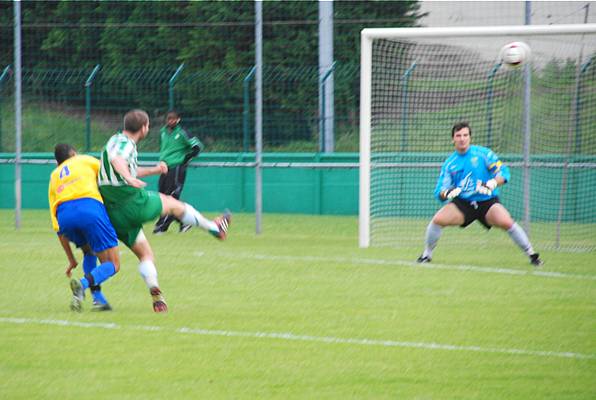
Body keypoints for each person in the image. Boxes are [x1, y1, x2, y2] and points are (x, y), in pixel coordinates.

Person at [98, 109, 231, 313]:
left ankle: (156, 294)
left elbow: (122, 164)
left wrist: (154, 169)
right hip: (130, 201)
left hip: (113, 213)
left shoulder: (114, 140)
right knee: (173, 204)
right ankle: (214, 228)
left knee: (145, 254)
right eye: (148, 125)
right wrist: (129, 178)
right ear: (143, 128)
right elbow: (118, 161)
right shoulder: (125, 145)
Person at [416, 122, 543, 266]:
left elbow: (503, 172)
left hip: (487, 201)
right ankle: (427, 255)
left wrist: (493, 183)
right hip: (463, 204)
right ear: (453, 139)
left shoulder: (484, 154)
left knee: (507, 222)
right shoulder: (450, 163)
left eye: (465, 135)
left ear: (470, 137)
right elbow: (440, 192)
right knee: (438, 219)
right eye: (458, 136)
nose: (462, 139)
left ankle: (532, 255)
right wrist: (448, 192)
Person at [48, 144, 121, 312]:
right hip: (89, 209)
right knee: (113, 264)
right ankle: (82, 284)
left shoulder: (54, 175)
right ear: (73, 153)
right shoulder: (84, 160)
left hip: (65, 216)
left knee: (89, 252)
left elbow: (57, 227)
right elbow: (109, 176)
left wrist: (71, 260)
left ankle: (98, 300)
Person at [153, 110, 203, 234]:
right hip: (164, 167)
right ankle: (184, 222)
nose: (171, 121)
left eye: (173, 119)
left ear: (178, 120)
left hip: (176, 168)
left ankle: (161, 226)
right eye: (169, 119)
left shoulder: (182, 132)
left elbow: (197, 146)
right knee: (163, 197)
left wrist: (185, 159)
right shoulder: (163, 132)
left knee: (172, 196)